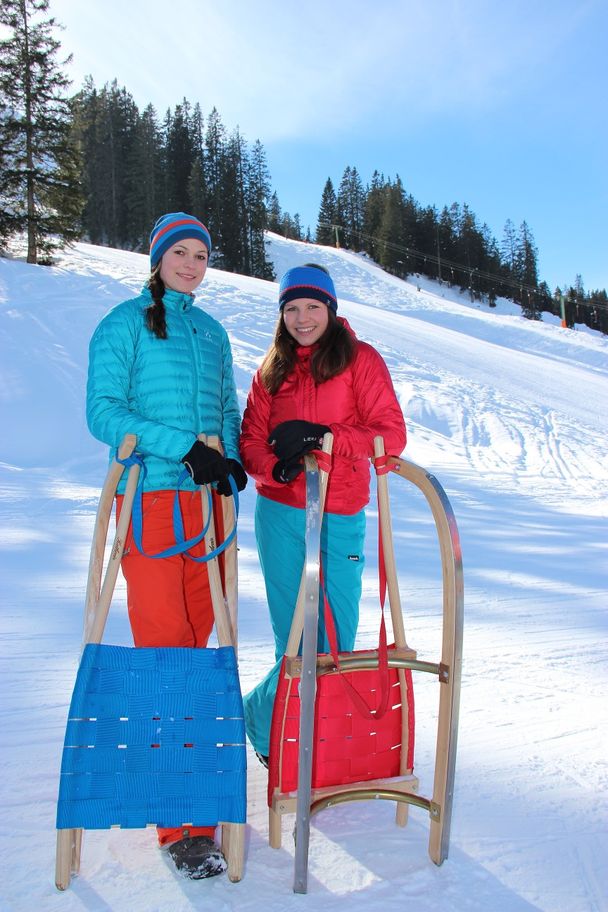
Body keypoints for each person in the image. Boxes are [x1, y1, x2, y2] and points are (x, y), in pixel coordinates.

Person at [86, 212, 247, 879]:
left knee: (200, 654)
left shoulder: (211, 334)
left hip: (208, 512)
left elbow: (228, 413)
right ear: (156, 258)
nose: (190, 263)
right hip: (151, 502)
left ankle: (193, 804)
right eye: (179, 252)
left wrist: (229, 462)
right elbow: (103, 412)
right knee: (167, 652)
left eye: (201, 255)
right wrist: (182, 447)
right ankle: (183, 827)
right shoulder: (123, 323)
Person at [239, 263, 406, 763]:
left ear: (331, 310)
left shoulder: (361, 361)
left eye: (313, 306)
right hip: (282, 513)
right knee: (290, 629)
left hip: (340, 512)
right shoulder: (271, 368)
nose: (302, 318)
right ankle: (288, 744)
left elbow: (390, 436)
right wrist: (277, 468)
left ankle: (258, 713)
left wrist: (323, 438)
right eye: (292, 308)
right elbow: (249, 443)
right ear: (282, 314)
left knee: (334, 634)